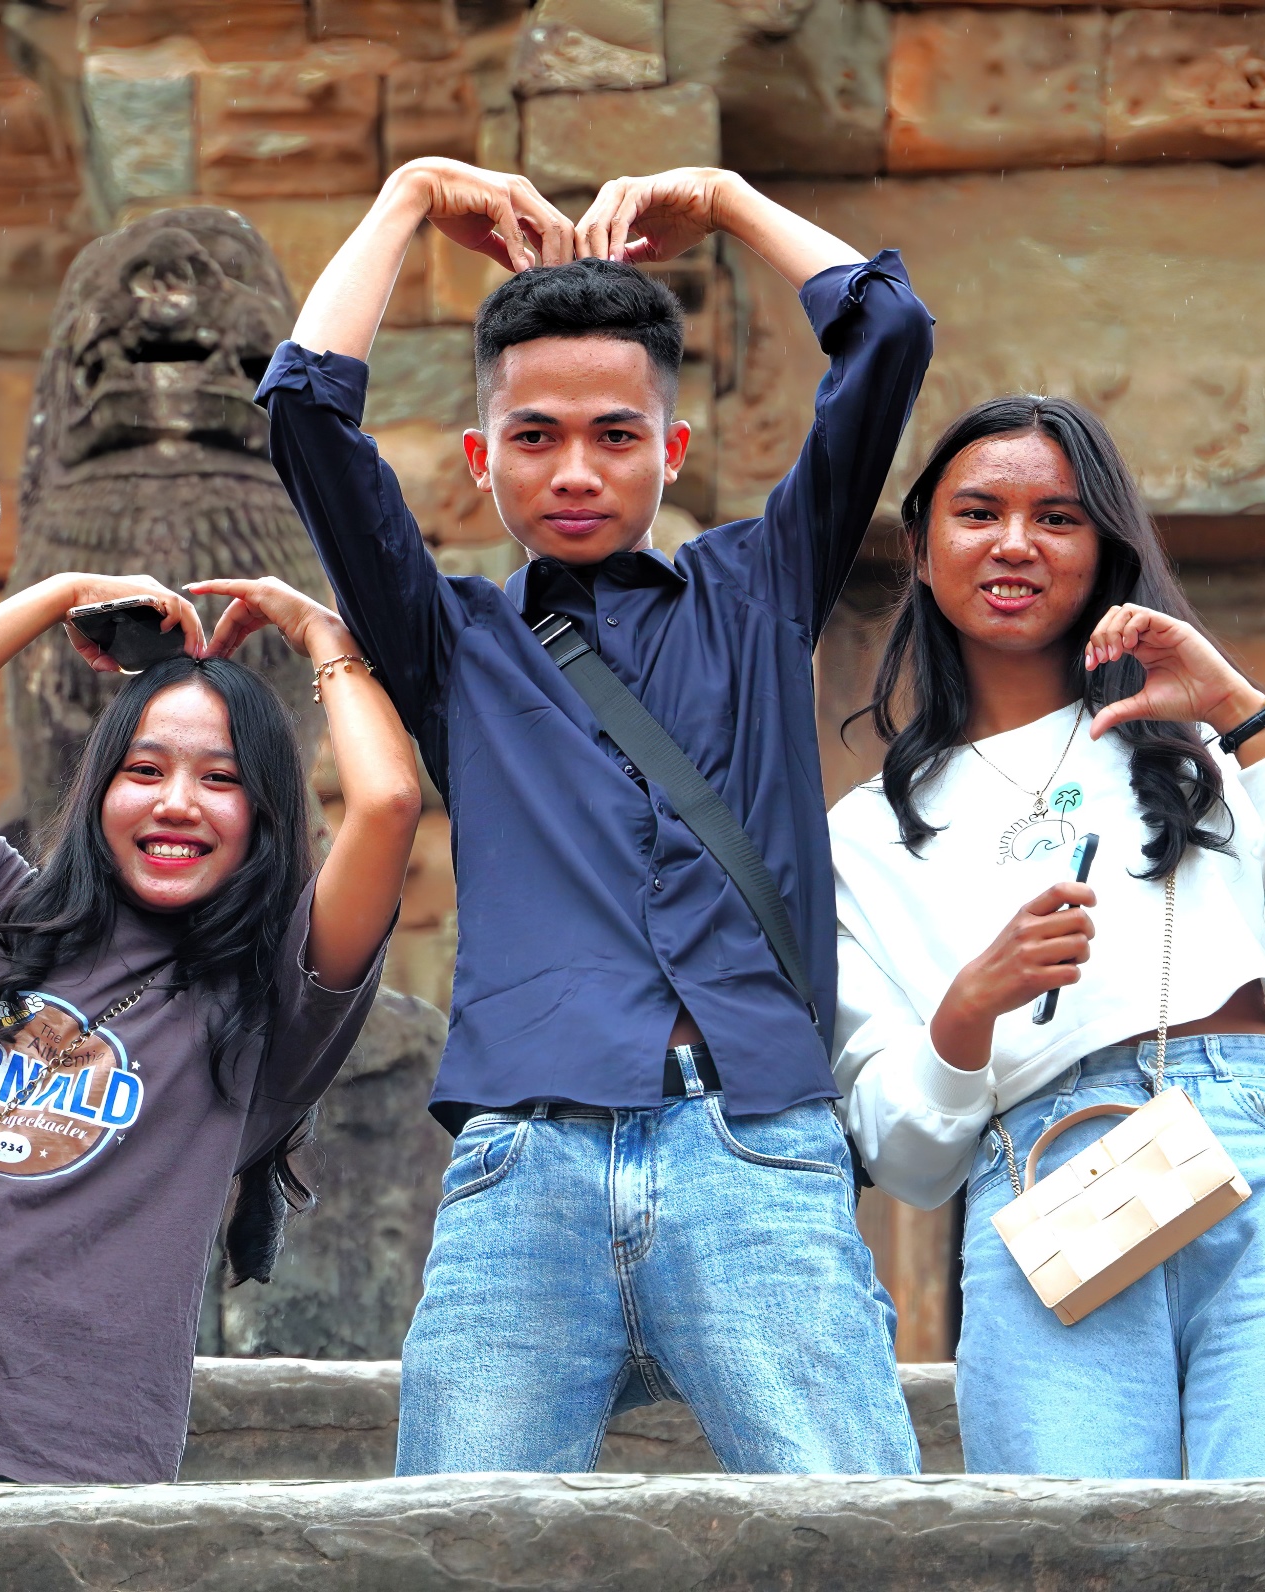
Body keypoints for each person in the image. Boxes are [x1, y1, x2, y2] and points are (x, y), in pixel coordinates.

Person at [255, 158, 935, 1474]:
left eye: (616, 434)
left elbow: (887, 332)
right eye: (536, 435)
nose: (577, 468)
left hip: (755, 1146)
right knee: (456, 1565)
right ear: (480, 458)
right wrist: (403, 201)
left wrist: (730, 202)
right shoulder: (448, 639)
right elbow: (304, 419)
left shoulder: (758, 588)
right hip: (528, 1160)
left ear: (671, 449)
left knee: (866, 1544)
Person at [830, 394, 1265, 1478]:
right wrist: (971, 1004)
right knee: (1081, 1556)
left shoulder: (1206, 735)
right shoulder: (862, 835)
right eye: (978, 512)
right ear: (920, 547)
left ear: (1103, 547)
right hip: (1047, 1172)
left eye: (1057, 516)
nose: (1015, 542)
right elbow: (908, 1160)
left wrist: (1246, 712)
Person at [0, 568, 419, 1485]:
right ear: (100, 787)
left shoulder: (266, 996)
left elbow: (386, 807)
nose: (176, 802)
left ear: (264, 815)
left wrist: (321, 635)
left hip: (66, 1461)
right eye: (144, 770)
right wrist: (58, 596)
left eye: (220, 779)